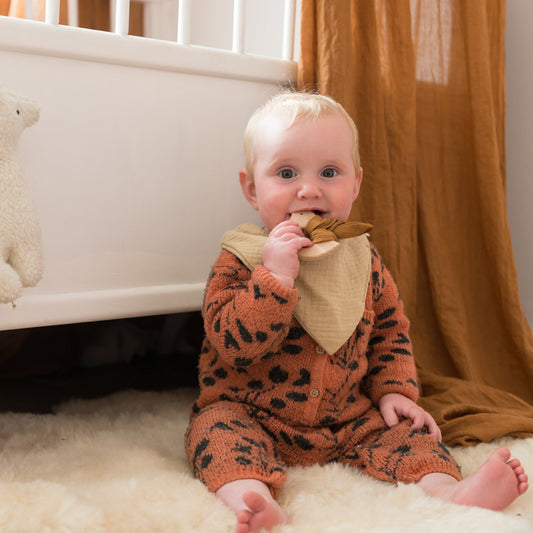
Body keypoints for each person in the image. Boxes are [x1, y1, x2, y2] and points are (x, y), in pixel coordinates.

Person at [185, 92, 528, 533]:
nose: (309, 189)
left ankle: (450, 491)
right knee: (215, 435)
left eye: (329, 172)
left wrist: (394, 391)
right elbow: (232, 344)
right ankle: (252, 502)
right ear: (252, 188)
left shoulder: (363, 261)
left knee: (410, 435)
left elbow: (390, 333)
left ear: (356, 184)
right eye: (286, 173)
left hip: (346, 418)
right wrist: (274, 278)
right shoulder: (240, 258)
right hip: (252, 412)